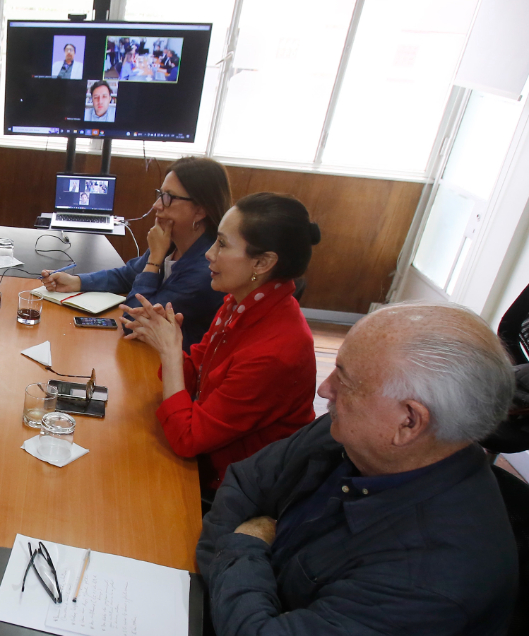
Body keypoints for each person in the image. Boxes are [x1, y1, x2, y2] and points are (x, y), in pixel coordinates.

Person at [198, 303, 518, 635]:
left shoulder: (430, 578)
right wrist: (225, 585)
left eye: (345, 379)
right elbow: (243, 482)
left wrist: (245, 541)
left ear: (408, 421)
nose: (325, 389)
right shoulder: (349, 433)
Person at [122, 193, 320, 491]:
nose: (209, 254)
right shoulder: (238, 303)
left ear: (263, 262)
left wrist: (172, 353)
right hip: (208, 457)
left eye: (223, 244)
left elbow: (188, 439)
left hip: (235, 490)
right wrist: (165, 340)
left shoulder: (277, 351)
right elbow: (196, 380)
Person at [42, 156, 231, 350]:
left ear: (200, 211)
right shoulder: (172, 242)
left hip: (175, 367)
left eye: (168, 198)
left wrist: (155, 260)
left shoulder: (206, 269)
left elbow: (134, 319)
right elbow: (128, 275)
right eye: (160, 195)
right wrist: (78, 281)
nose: (157, 205)